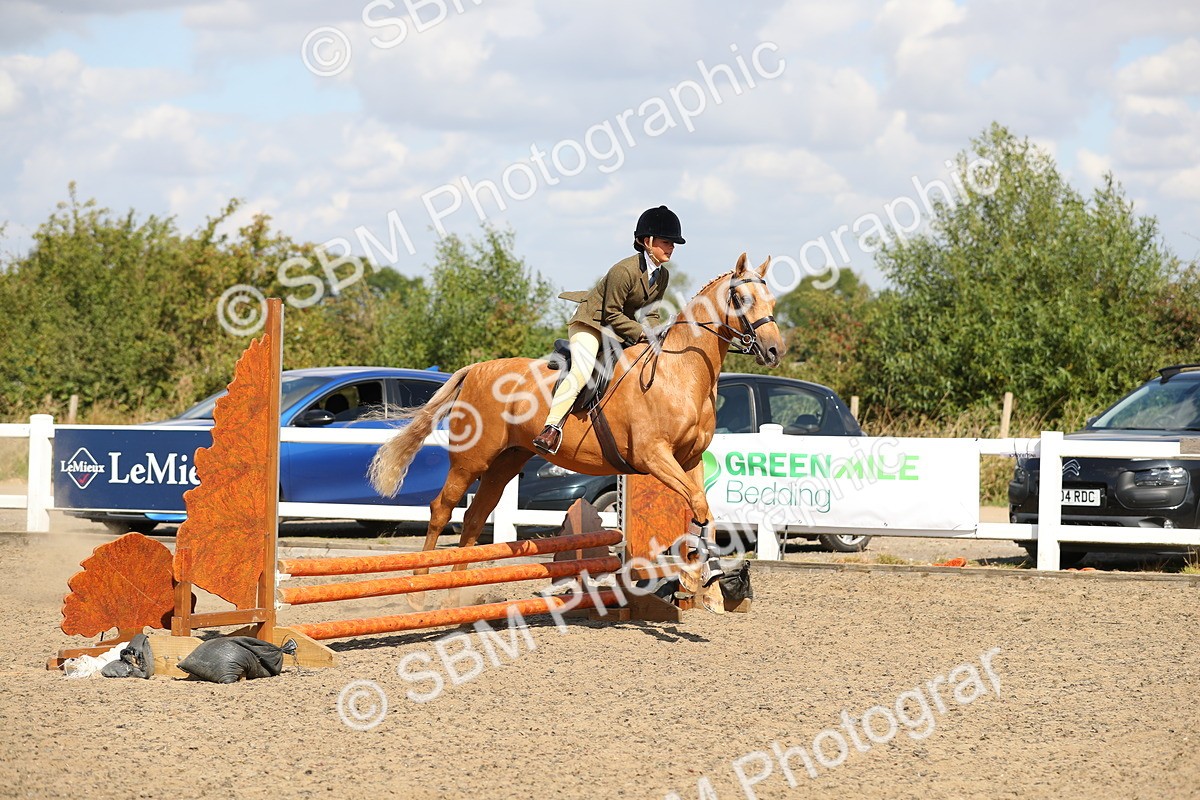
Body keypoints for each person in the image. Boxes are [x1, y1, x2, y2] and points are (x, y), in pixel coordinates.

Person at [533, 205, 684, 455]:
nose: (671, 247)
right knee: (582, 371)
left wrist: (659, 333)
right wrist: (643, 333)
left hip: (618, 330)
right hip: (591, 324)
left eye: (673, 243)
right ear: (647, 242)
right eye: (666, 242)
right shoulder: (623, 270)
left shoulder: (663, 275)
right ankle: (551, 428)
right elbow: (612, 313)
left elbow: (652, 313)